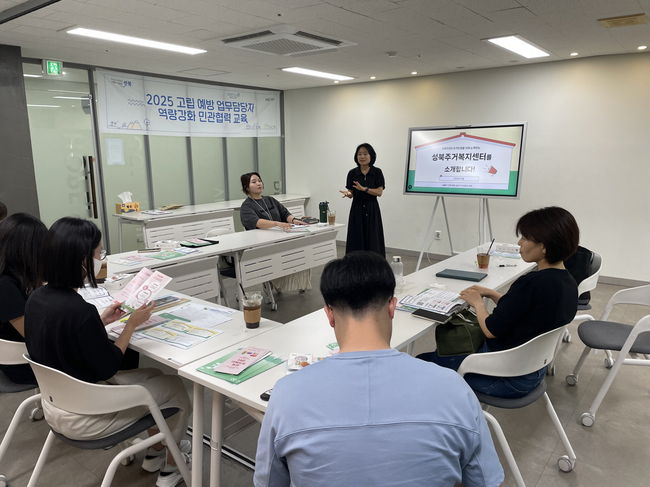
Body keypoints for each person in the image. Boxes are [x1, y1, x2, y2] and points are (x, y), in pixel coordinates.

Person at [254, 251, 504, 487]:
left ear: (329, 315)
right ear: (392, 307)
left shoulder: (287, 394)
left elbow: (268, 482)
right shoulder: (454, 388)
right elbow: (484, 481)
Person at [24, 217, 191, 487]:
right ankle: (172, 466)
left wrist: (100, 321)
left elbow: (66, 335)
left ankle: (155, 451)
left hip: (56, 403)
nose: (100, 260)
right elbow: (109, 365)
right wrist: (131, 325)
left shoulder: (36, 298)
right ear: (81, 260)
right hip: (87, 416)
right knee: (175, 388)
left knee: (152, 374)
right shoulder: (79, 309)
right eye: (98, 253)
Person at [418, 206, 579, 398]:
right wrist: (492, 294)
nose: (519, 243)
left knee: (422, 362)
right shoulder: (568, 282)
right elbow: (523, 311)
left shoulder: (531, 283)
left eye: (525, 238)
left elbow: (490, 330)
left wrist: (477, 303)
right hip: (533, 371)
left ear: (544, 247)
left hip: (503, 378)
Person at [0, 213, 47, 384]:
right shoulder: (6, 286)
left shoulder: (16, 276)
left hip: (27, 353)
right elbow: (34, 335)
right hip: (23, 363)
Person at [340, 143, 385, 256]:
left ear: (371, 156)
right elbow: (351, 192)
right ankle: (355, 263)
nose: (362, 156)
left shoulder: (377, 172)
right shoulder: (352, 173)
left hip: (372, 208)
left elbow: (379, 192)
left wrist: (364, 189)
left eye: (365, 154)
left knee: (373, 237)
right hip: (357, 208)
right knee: (356, 237)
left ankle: (374, 263)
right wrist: (348, 193)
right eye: (359, 154)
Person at [240, 172, 306, 230]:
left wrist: (293, 220)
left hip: (280, 232)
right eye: (254, 182)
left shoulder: (270, 199)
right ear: (247, 187)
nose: (258, 183)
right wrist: (277, 224)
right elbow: (257, 222)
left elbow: (285, 213)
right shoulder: (246, 206)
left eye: (259, 181)